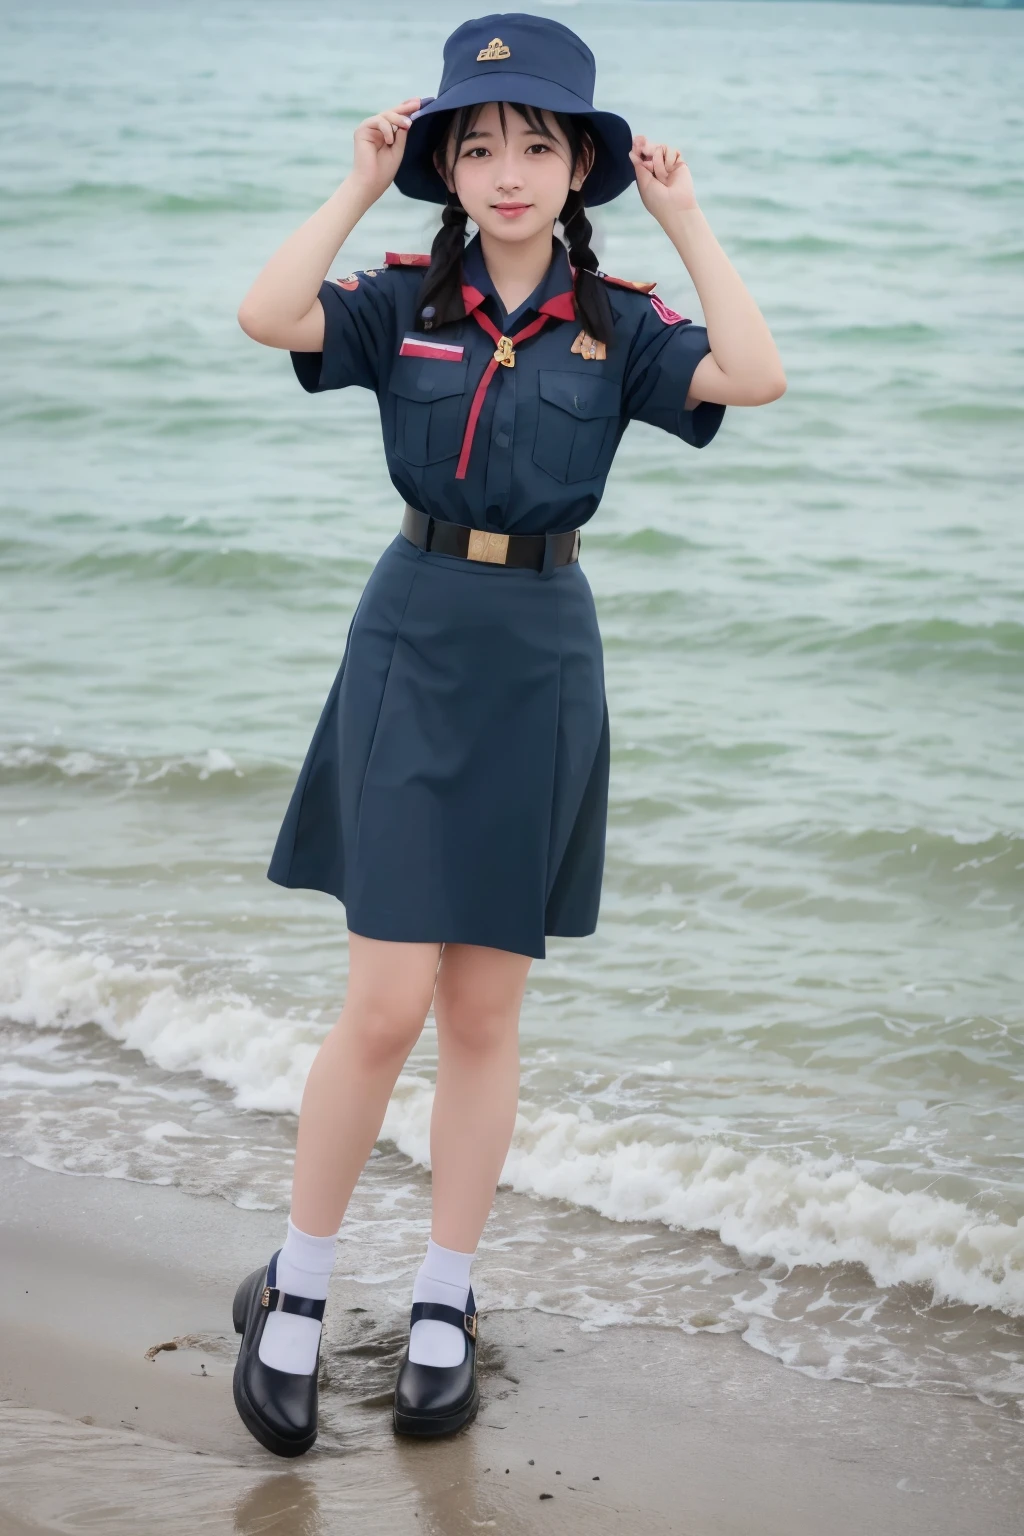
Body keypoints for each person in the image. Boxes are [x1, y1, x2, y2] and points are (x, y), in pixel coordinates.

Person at [231, 11, 785, 1458]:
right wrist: (356, 184)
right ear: (448, 170)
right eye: (477, 147)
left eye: (537, 144)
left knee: (484, 1011)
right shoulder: (402, 293)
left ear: (582, 163)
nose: (507, 170)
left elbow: (757, 374)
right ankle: (294, 1287)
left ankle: (443, 1298)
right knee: (383, 1003)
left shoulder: (620, 324)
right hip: (411, 637)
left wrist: (690, 214)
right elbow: (265, 314)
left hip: (543, 655)